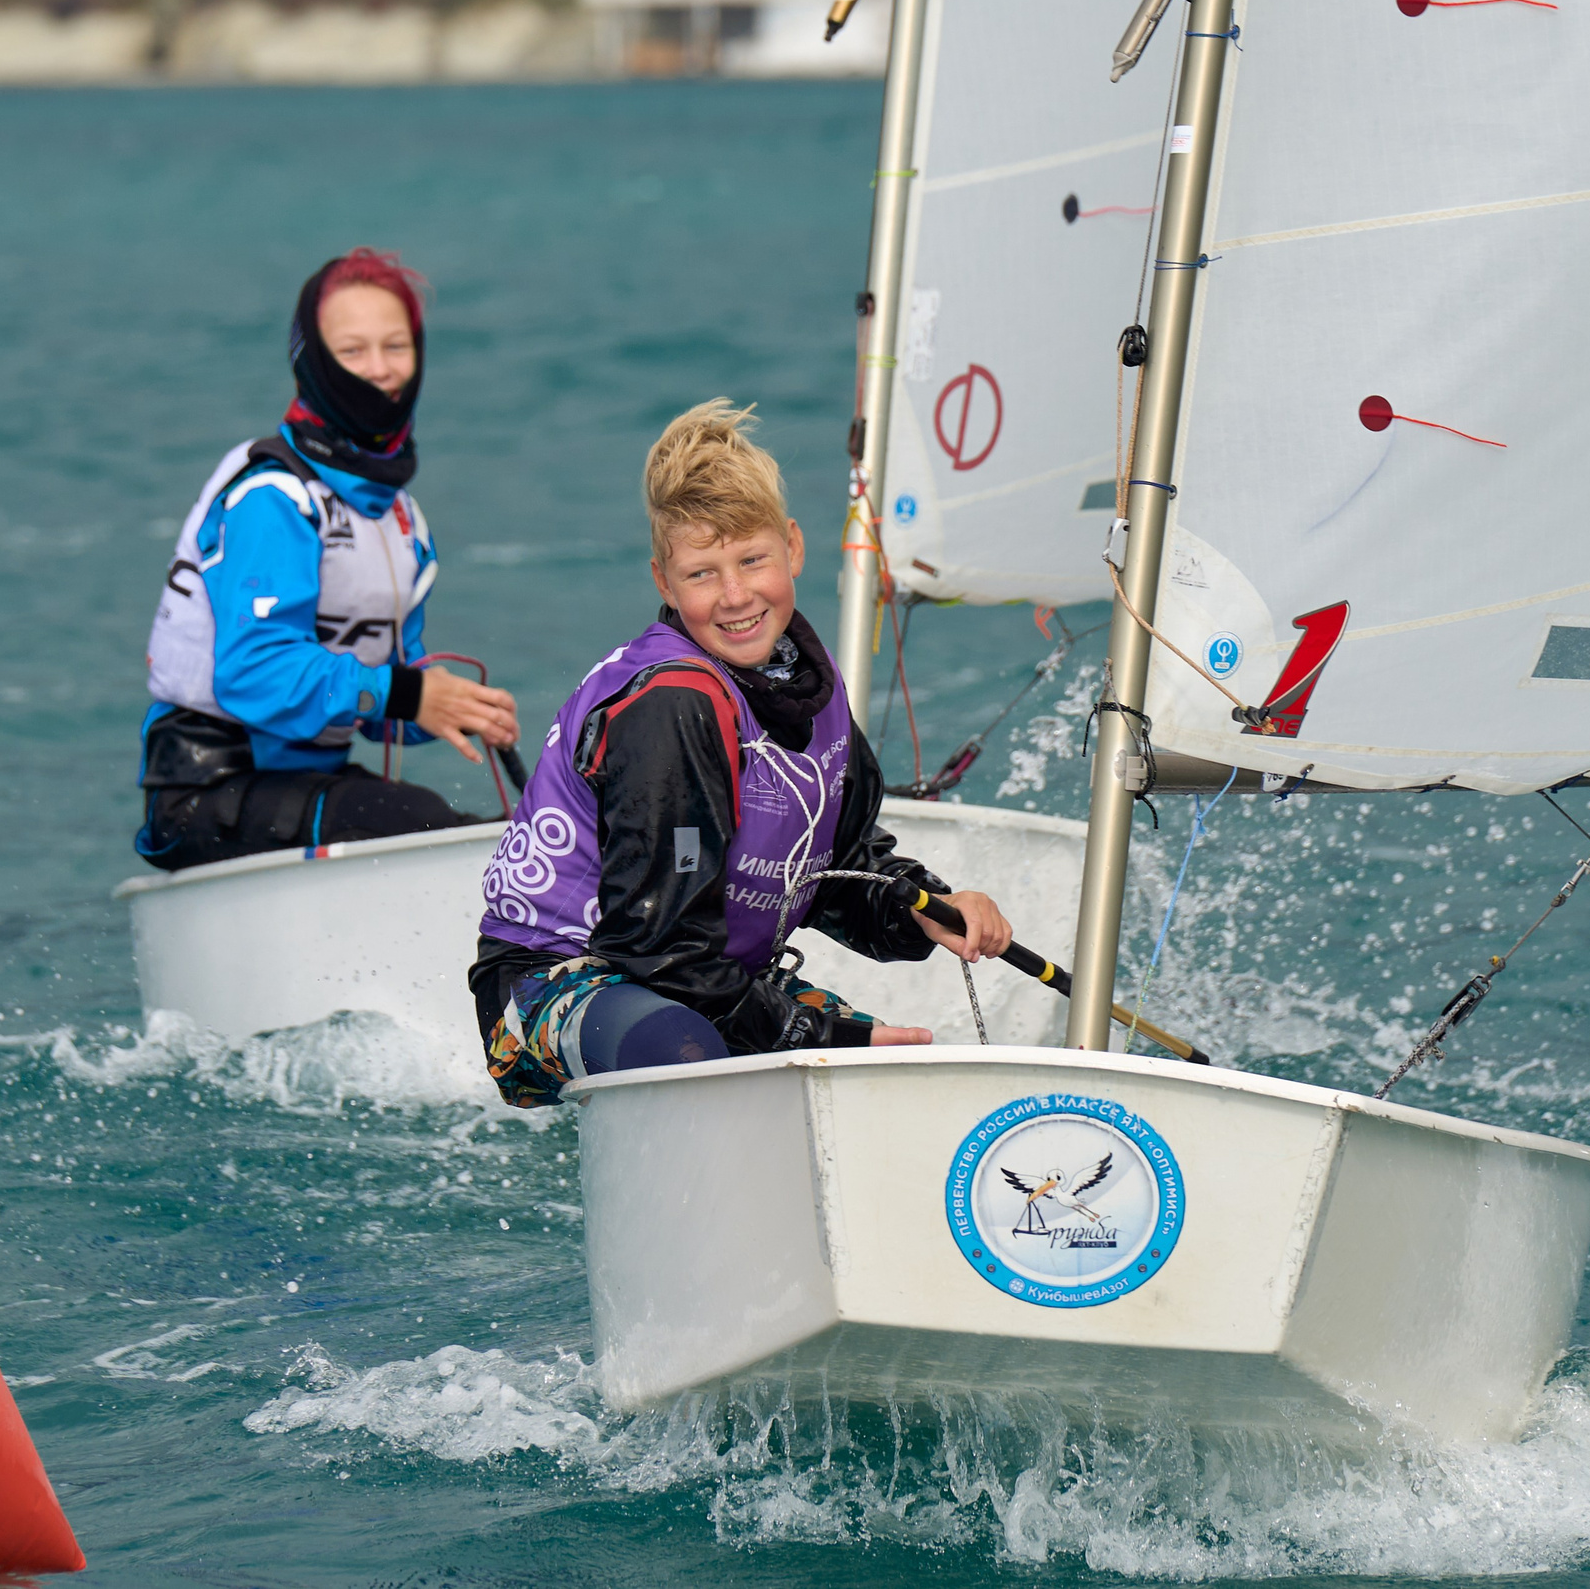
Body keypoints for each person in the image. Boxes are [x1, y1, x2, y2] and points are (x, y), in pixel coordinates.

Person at [468, 398, 1013, 1107]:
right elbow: (657, 953)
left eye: (752, 560)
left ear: (792, 546)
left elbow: (841, 868)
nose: (734, 596)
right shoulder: (674, 705)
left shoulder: (804, 684)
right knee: (686, 1050)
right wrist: (812, 1034)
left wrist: (926, 906)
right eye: (701, 574)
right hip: (560, 982)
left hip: (702, 978)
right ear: (664, 581)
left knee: (899, 1082)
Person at [134, 248, 519, 870]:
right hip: (206, 792)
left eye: (396, 347)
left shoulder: (399, 520)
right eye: (352, 351)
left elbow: (380, 703)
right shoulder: (271, 498)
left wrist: (447, 706)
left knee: (522, 830)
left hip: (309, 786)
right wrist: (405, 694)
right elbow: (253, 672)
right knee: (421, 823)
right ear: (310, 359)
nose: (379, 371)